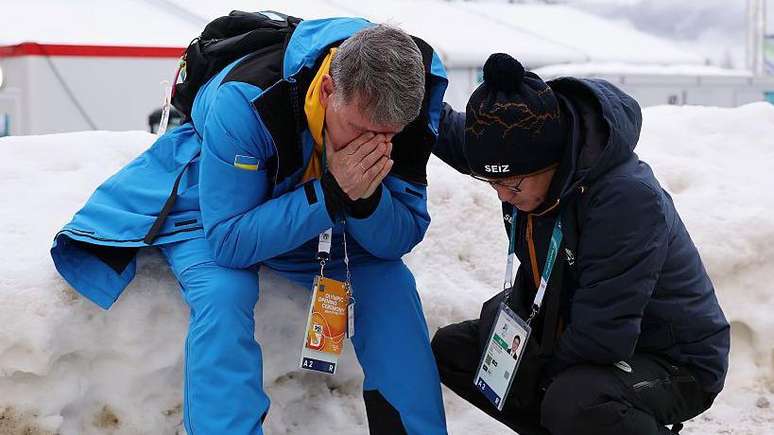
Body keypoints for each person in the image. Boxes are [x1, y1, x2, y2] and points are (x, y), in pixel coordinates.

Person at [51, 15, 449, 435]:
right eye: (359, 129)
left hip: (318, 211)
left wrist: (365, 197)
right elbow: (228, 242)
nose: (370, 146)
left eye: (387, 136)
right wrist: (330, 194)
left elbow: (399, 236)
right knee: (224, 293)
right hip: (215, 207)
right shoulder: (245, 99)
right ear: (329, 89)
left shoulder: (408, 101)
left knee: (391, 286)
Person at [431, 53, 729, 435]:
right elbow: (452, 132)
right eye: (493, 184)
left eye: (514, 185)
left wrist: (534, 373)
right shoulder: (522, 158)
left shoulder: (626, 200)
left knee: (573, 402)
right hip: (572, 327)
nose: (504, 196)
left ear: (553, 162)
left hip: (670, 357)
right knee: (457, 351)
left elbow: (603, 333)